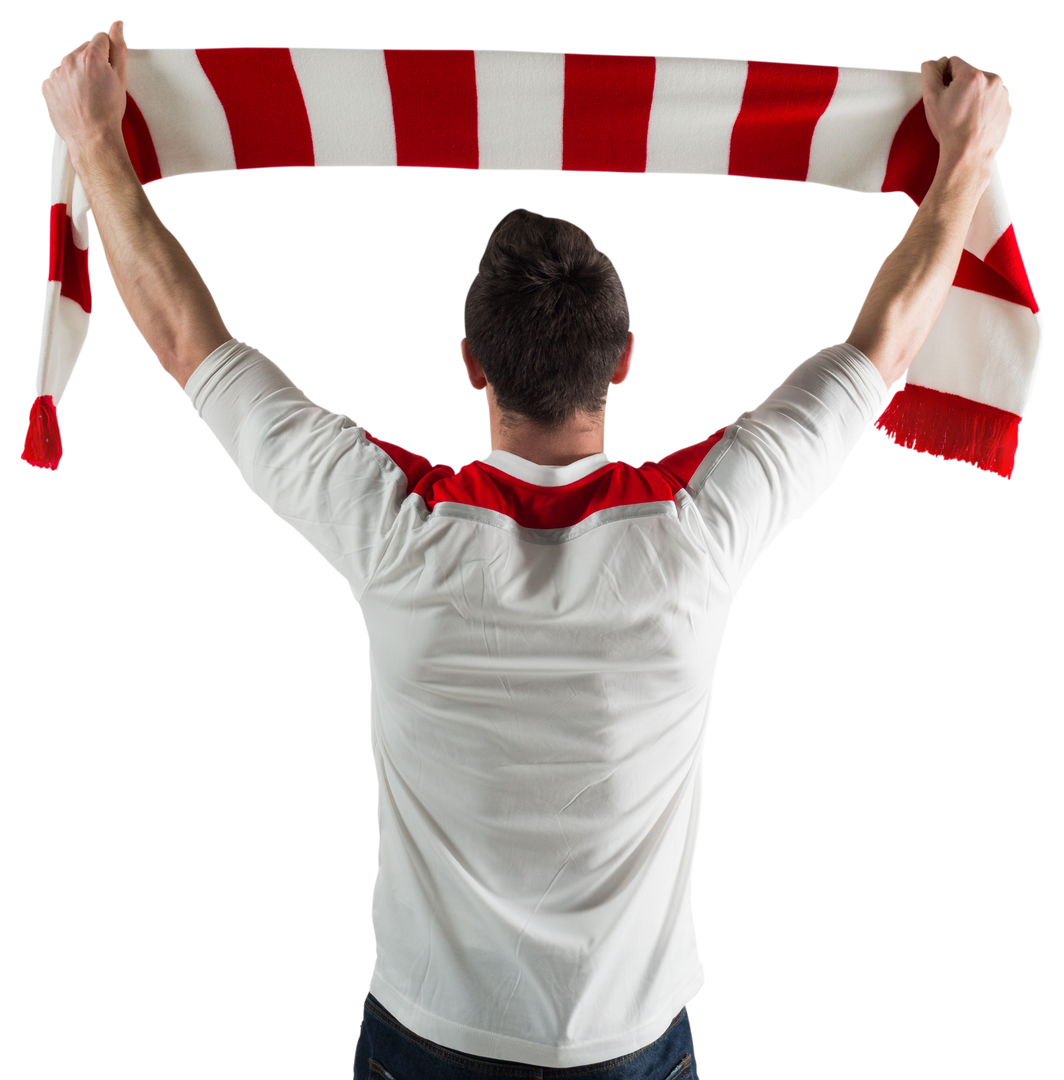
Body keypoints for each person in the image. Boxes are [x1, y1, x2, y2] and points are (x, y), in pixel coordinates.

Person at [38, 20, 1014, 1079]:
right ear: (626, 361)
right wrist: (962, 160)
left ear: (468, 365)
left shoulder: (397, 526)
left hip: (429, 1036)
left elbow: (194, 345)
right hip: (631, 1042)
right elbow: (879, 344)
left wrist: (94, 143)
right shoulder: (696, 528)